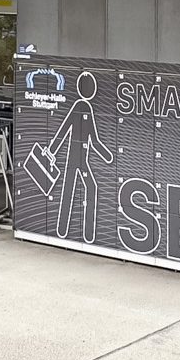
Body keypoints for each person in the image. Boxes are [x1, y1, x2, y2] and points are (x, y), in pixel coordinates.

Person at [45, 72, 114, 242]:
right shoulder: (79, 106)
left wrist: (108, 156)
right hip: (74, 159)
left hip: (81, 160)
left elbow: (94, 140)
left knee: (80, 189)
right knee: (77, 190)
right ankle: (74, 232)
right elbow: (64, 129)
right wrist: (51, 151)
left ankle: (80, 233)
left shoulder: (86, 108)